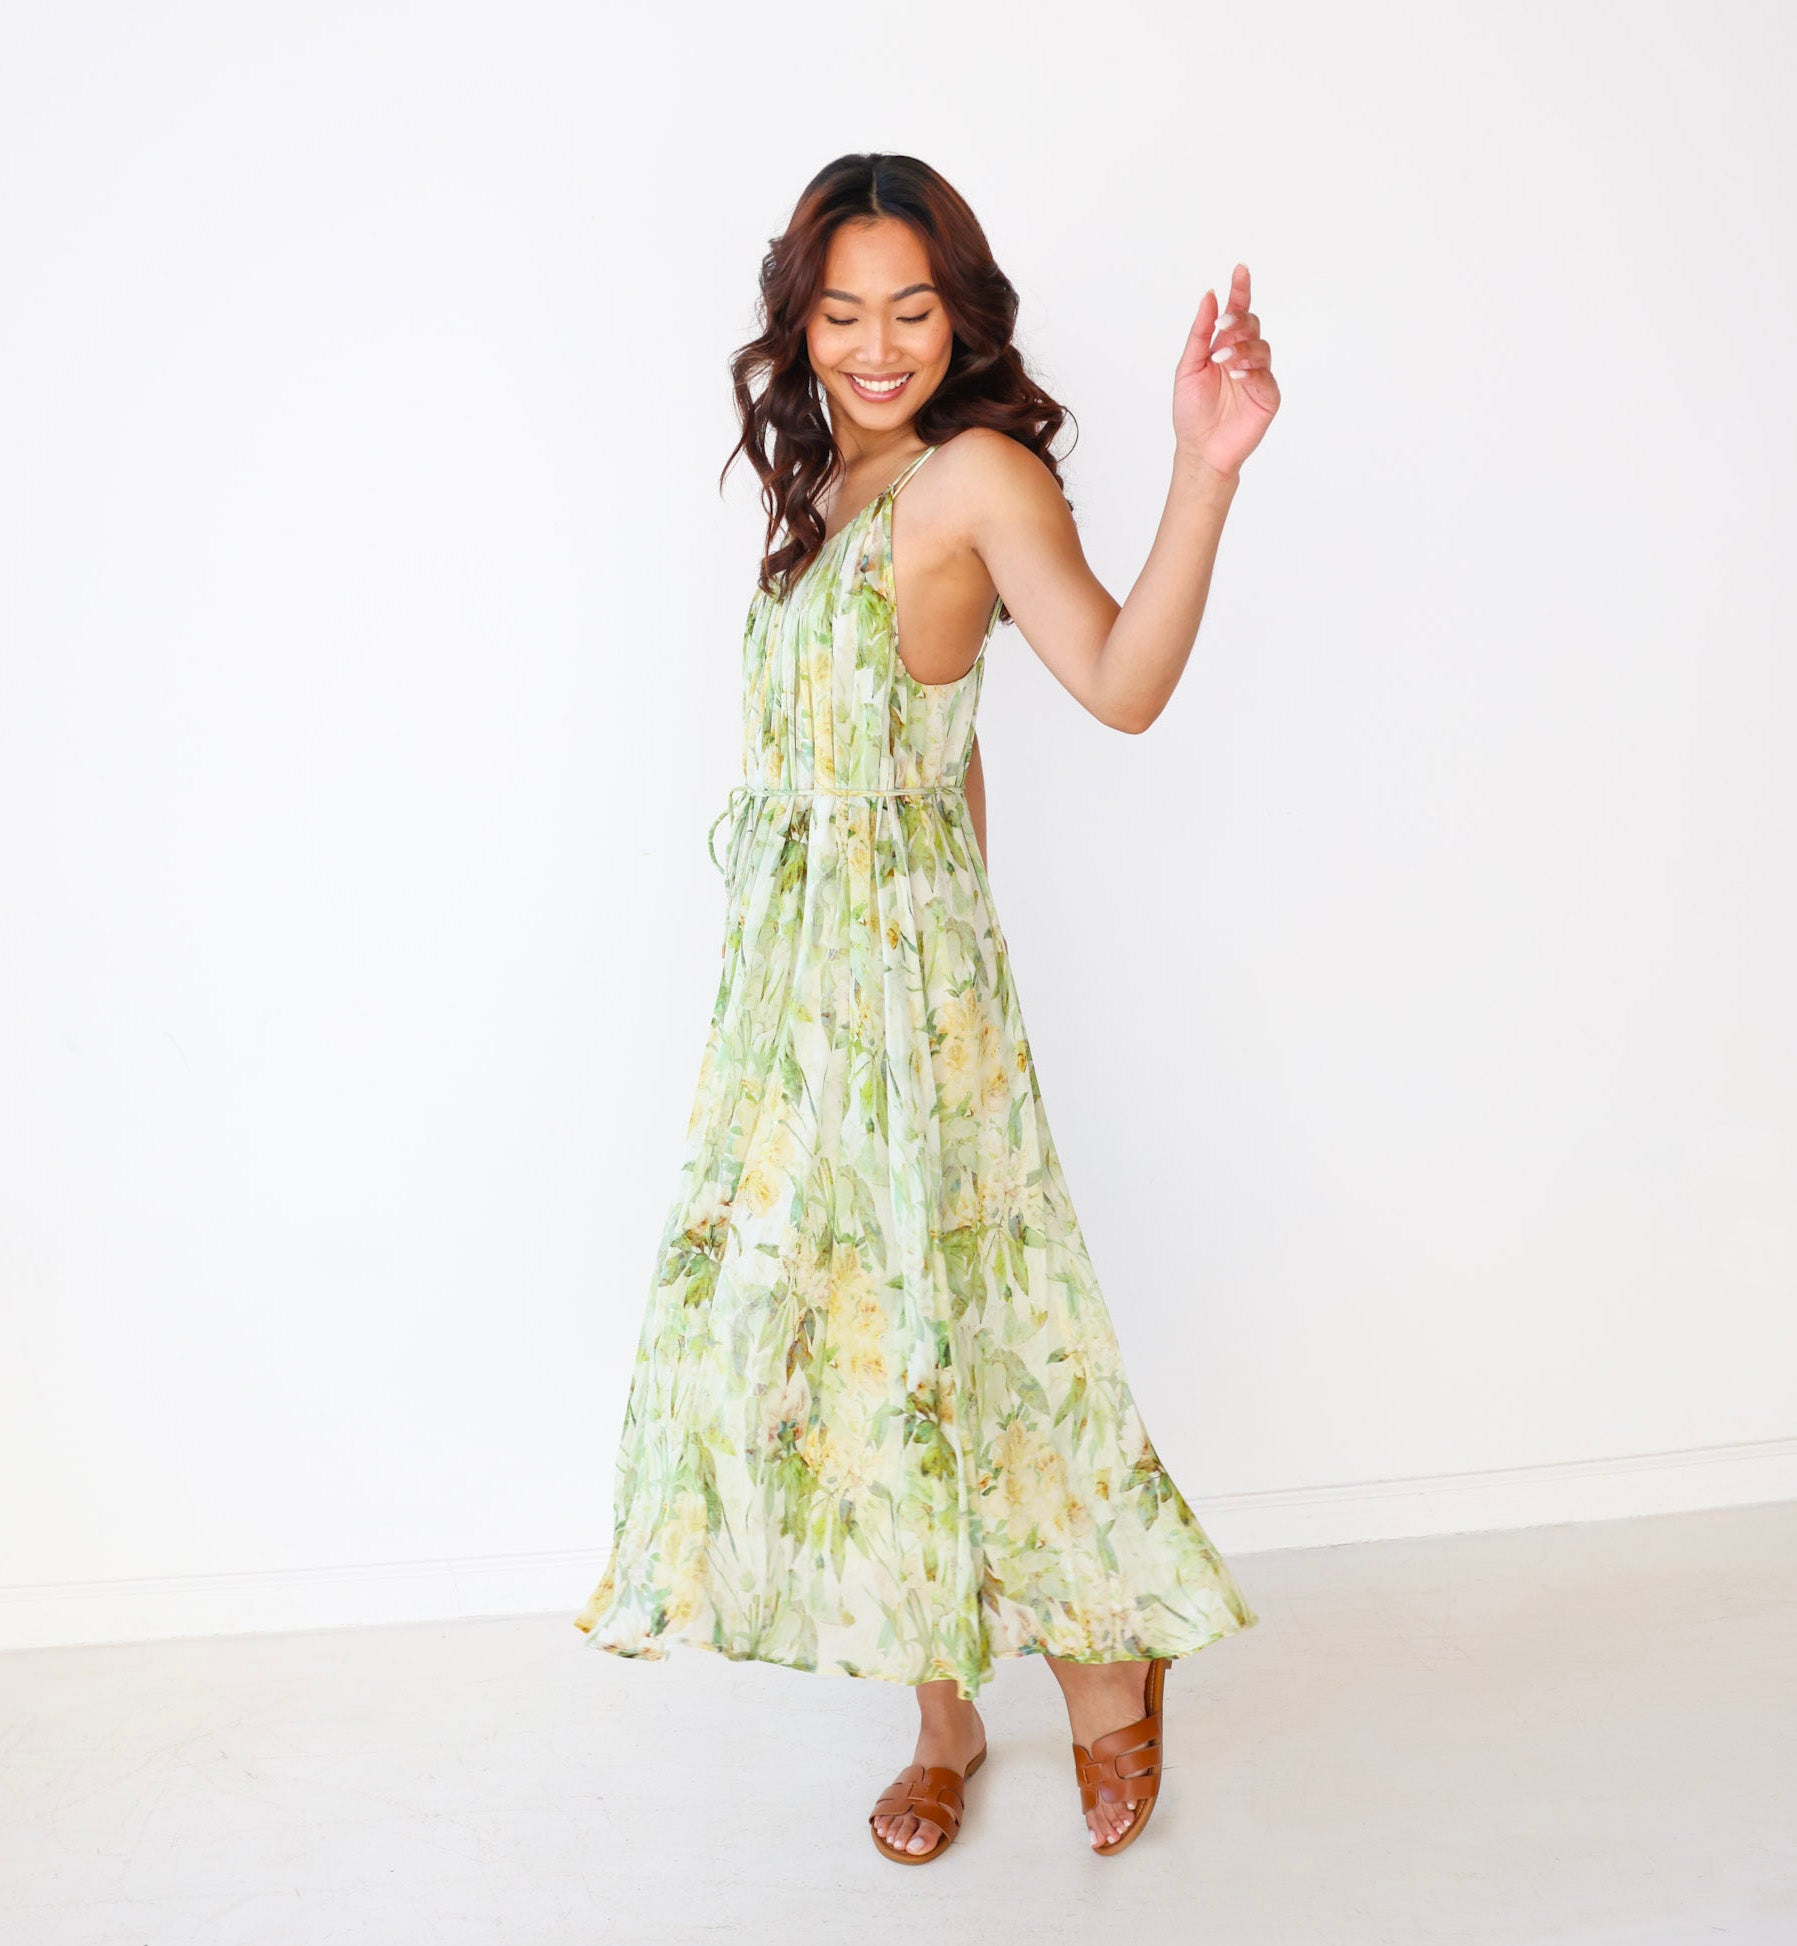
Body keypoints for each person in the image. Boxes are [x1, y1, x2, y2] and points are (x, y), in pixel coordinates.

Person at [574, 152, 1281, 1862]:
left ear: (958, 317)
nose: (876, 345)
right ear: (797, 322)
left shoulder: (972, 475)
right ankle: (941, 1708)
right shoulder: (829, 486)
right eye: (841, 313)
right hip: (793, 993)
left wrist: (1203, 472)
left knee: (982, 1319)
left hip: (906, 987)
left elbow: (1116, 682)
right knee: (849, 1341)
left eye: (910, 309)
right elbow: (931, 741)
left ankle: (1105, 1667)